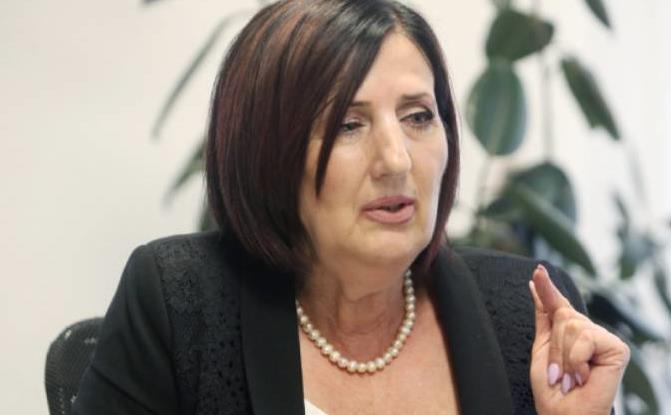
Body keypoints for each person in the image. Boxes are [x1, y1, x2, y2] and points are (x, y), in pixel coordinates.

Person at [72, 0, 629, 414]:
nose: (396, 160)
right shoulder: (180, 302)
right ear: (267, 152)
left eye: (418, 116)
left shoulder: (528, 309)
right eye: (347, 124)